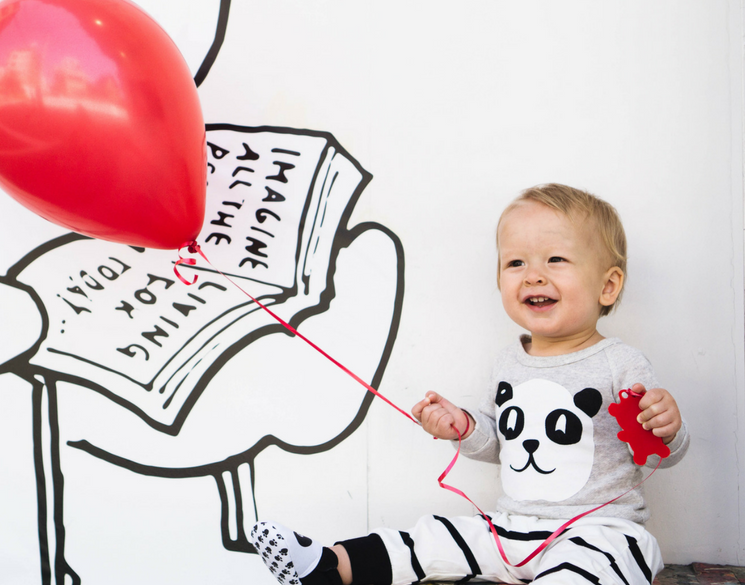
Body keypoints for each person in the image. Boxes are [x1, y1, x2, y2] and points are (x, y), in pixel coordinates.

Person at [251, 183, 689, 585]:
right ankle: (328, 565)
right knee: (434, 537)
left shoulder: (620, 363)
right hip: (512, 529)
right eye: (515, 263)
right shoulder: (509, 363)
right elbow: (499, 443)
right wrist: (461, 426)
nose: (533, 275)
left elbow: (659, 454)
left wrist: (667, 427)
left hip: (600, 530)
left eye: (555, 259)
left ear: (608, 286)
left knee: (589, 567)